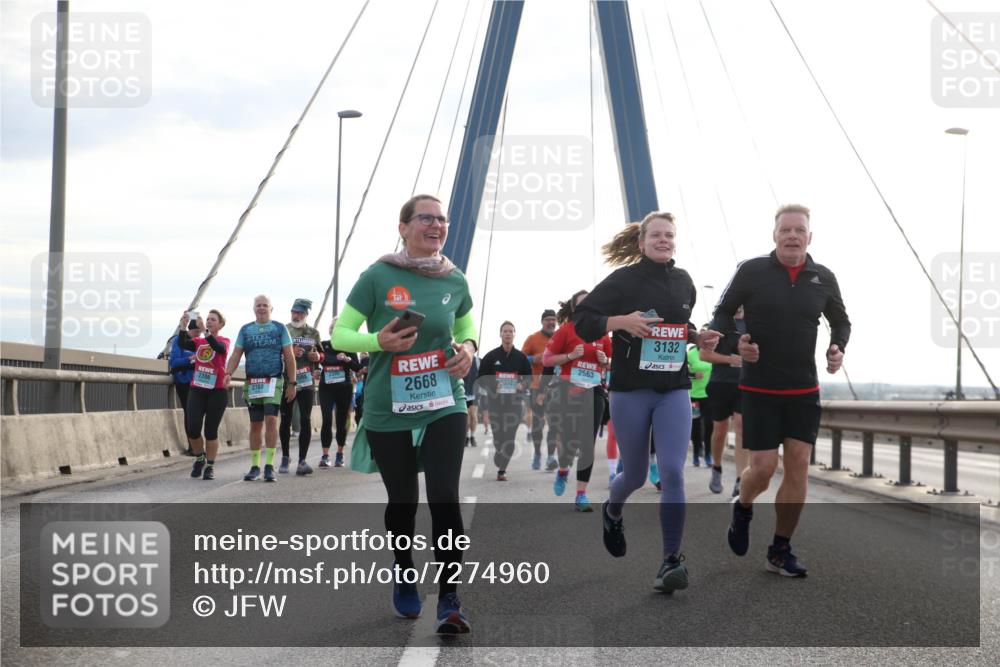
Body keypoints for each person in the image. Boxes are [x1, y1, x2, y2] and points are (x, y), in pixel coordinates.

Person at [331, 194, 476, 633]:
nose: (435, 225)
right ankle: (404, 569)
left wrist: (468, 349)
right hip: (388, 404)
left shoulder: (455, 278)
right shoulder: (378, 275)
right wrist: (379, 342)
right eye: (425, 218)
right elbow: (339, 334)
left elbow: (467, 324)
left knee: (445, 497)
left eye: (442, 219)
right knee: (403, 501)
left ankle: (450, 598)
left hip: (443, 400)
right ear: (404, 226)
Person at [574, 211, 720, 593]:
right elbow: (583, 321)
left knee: (672, 472)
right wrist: (620, 321)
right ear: (641, 243)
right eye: (655, 235)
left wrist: (698, 337)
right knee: (636, 475)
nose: (663, 240)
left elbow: (679, 327)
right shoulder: (624, 280)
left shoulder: (684, 282)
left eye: (669, 235)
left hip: (673, 389)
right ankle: (613, 509)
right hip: (630, 391)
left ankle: (671, 560)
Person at [715, 204, 850, 578]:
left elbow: (841, 321)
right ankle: (742, 506)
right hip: (759, 387)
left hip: (803, 390)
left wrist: (837, 347)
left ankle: (780, 549)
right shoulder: (752, 271)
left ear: (810, 236)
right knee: (762, 468)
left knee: (799, 465)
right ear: (774, 235)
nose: (793, 235)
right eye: (786, 229)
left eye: (799, 230)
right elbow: (722, 313)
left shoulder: (822, 278)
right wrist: (737, 342)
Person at [543, 290, 612, 513]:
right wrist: (570, 356)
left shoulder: (603, 334)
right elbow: (547, 358)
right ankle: (563, 469)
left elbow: (612, 363)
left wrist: (606, 361)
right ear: (575, 309)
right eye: (583, 304)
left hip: (594, 390)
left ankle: (581, 494)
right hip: (568, 391)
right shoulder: (566, 330)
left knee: (587, 443)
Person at [225, 295, 297, 483]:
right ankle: (255, 466)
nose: (262, 308)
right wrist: (228, 373)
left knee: (271, 420)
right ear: (254, 309)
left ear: (271, 309)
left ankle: (269, 466)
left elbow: (289, 357)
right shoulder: (246, 330)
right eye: (259, 305)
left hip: (273, 381)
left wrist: (292, 383)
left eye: (266, 305)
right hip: (253, 383)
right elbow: (236, 354)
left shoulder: (279, 328)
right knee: (256, 424)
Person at [177, 310, 230, 480]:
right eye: (207, 319)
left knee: (210, 431)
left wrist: (206, 333)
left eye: (213, 320)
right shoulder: (199, 341)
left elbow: (218, 348)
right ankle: (200, 458)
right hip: (198, 389)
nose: (209, 321)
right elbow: (183, 343)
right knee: (192, 429)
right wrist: (183, 326)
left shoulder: (224, 340)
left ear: (220, 325)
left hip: (217, 391)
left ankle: (210, 466)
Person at [701, 305, 748, 496]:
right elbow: (704, 354)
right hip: (720, 383)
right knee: (720, 430)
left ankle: (740, 481)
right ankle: (717, 467)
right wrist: (731, 360)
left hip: (744, 384)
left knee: (741, 428)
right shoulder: (719, 322)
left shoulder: (753, 322)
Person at [477, 321, 532, 480]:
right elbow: (481, 378)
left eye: (510, 331)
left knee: (509, 436)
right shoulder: (491, 356)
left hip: (514, 404)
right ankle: (499, 453)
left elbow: (528, 378)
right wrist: (494, 384)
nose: (507, 334)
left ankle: (502, 470)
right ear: (500, 334)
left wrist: (522, 384)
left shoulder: (521, 357)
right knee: (499, 437)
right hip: (495, 403)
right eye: (505, 331)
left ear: (514, 334)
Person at [279, 298, 323, 475]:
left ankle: (302, 461)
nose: (296, 315)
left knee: (305, 419)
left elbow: (321, 354)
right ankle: (285, 456)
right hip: (287, 380)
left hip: (306, 381)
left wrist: (317, 358)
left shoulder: (313, 332)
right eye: (293, 311)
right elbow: (274, 351)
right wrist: (288, 353)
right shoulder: (284, 329)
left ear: (306, 314)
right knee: (286, 418)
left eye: (299, 312)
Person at [317, 318, 363, 467]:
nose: (334, 331)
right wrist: (316, 370)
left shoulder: (349, 347)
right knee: (327, 420)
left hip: (344, 388)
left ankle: (340, 454)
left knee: (342, 421)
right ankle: (325, 456)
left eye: (338, 329)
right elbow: (315, 362)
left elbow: (357, 368)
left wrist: (348, 359)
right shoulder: (323, 345)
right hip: (326, 388)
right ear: (330, 330)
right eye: (333, 328)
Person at [521, 309, 559, 470]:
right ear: (542, 322)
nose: (551, 322)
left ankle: (551, 457)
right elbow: (520, 360)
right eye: (548, 320)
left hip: (556, 388)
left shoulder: (560, 337)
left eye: (553, 319)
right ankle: (537, 453)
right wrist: (532, 358)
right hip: (536, 387)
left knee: (555, 424)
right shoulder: (532, 339)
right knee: (538, 423)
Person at [169, 318, 200, 455]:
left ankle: (198, 445)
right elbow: (174, 362)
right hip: (183, 381)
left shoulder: (199, 342)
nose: (198, 335)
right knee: (190, 413)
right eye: (196, 332)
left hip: (198, 382)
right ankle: (192, 446)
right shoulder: (179, 341)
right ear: (191, 330)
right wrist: (190, 360)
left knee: (197, 414)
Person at [688, 339, 713, 466]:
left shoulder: (713, 354)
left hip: (709, 396)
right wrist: (693, 375)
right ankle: (696, 454)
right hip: (694, 397)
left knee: (709, 426)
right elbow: (682, 372)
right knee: (696, 426)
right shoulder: (691, 354)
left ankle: (708, 454)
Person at [462, 341, 480, 447]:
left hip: (474, 393)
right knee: (466, 416)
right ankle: (466, 437)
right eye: (465, 344)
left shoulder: (478, 361)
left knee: (473, 415)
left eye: (470, 345)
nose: (467, 346)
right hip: (462, 393)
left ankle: (472, 436)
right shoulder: (460, 360)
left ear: (474, 348)